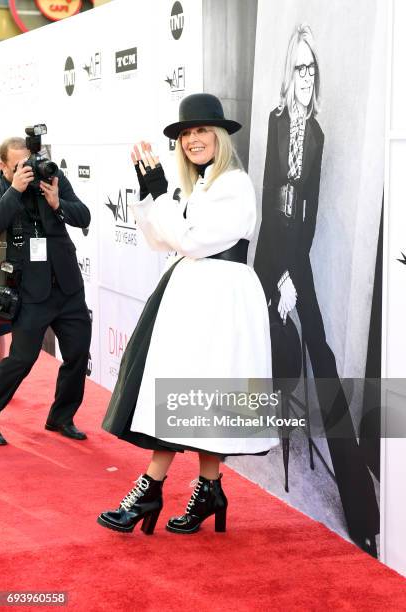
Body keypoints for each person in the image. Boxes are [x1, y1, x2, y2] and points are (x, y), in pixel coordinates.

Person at [98, 93, 276, 535]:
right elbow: (163, 240)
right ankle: (209, 489)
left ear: (219, 136)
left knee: (192, 393)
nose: (192, 140)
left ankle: (150, 487)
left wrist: (161, 196)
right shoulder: (200, 184)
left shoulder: (233, 183)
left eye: (200, 131)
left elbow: (193, 242)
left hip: (219, 299)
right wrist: (151, 195)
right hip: (195, 295)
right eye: (185, 133)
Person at [254, 24, 380, 555]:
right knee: (282, 346)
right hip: (269, 256)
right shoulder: (276, 122)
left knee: (322, 354)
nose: (305, 77)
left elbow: (308, 215)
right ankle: (270, 436)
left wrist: (293, 278)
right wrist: (277, 279)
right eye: (298, 67)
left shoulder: (320, 134)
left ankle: (361, 508)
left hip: (296, 254)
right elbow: (270, 203)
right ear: (289, 73)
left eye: (312, 68)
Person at [0, 137, 92, 446]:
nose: (29, 170)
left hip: (67, 287)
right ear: (3, 166)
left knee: (78, 353)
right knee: (21, 359)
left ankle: (61, 417)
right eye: (19, 166)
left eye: (30, 162)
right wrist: (16, 189)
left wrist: (57, 203)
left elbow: (84, 215)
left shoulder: (51, 176)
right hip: (29, 291)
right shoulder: (4, 188)